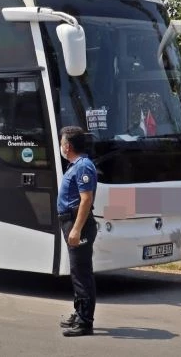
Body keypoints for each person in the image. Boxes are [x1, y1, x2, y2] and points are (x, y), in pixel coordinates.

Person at [56, 125, 98, 337]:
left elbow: (86, 200)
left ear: (68, 146)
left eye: (62, 143)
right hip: (70, 221)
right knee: (77, 272)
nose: (61, 147)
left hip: (77, 223)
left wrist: (76, 230)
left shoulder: (83, 167)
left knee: (81, 274)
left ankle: (85, 321)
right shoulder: (75, 165)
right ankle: (79, 311)